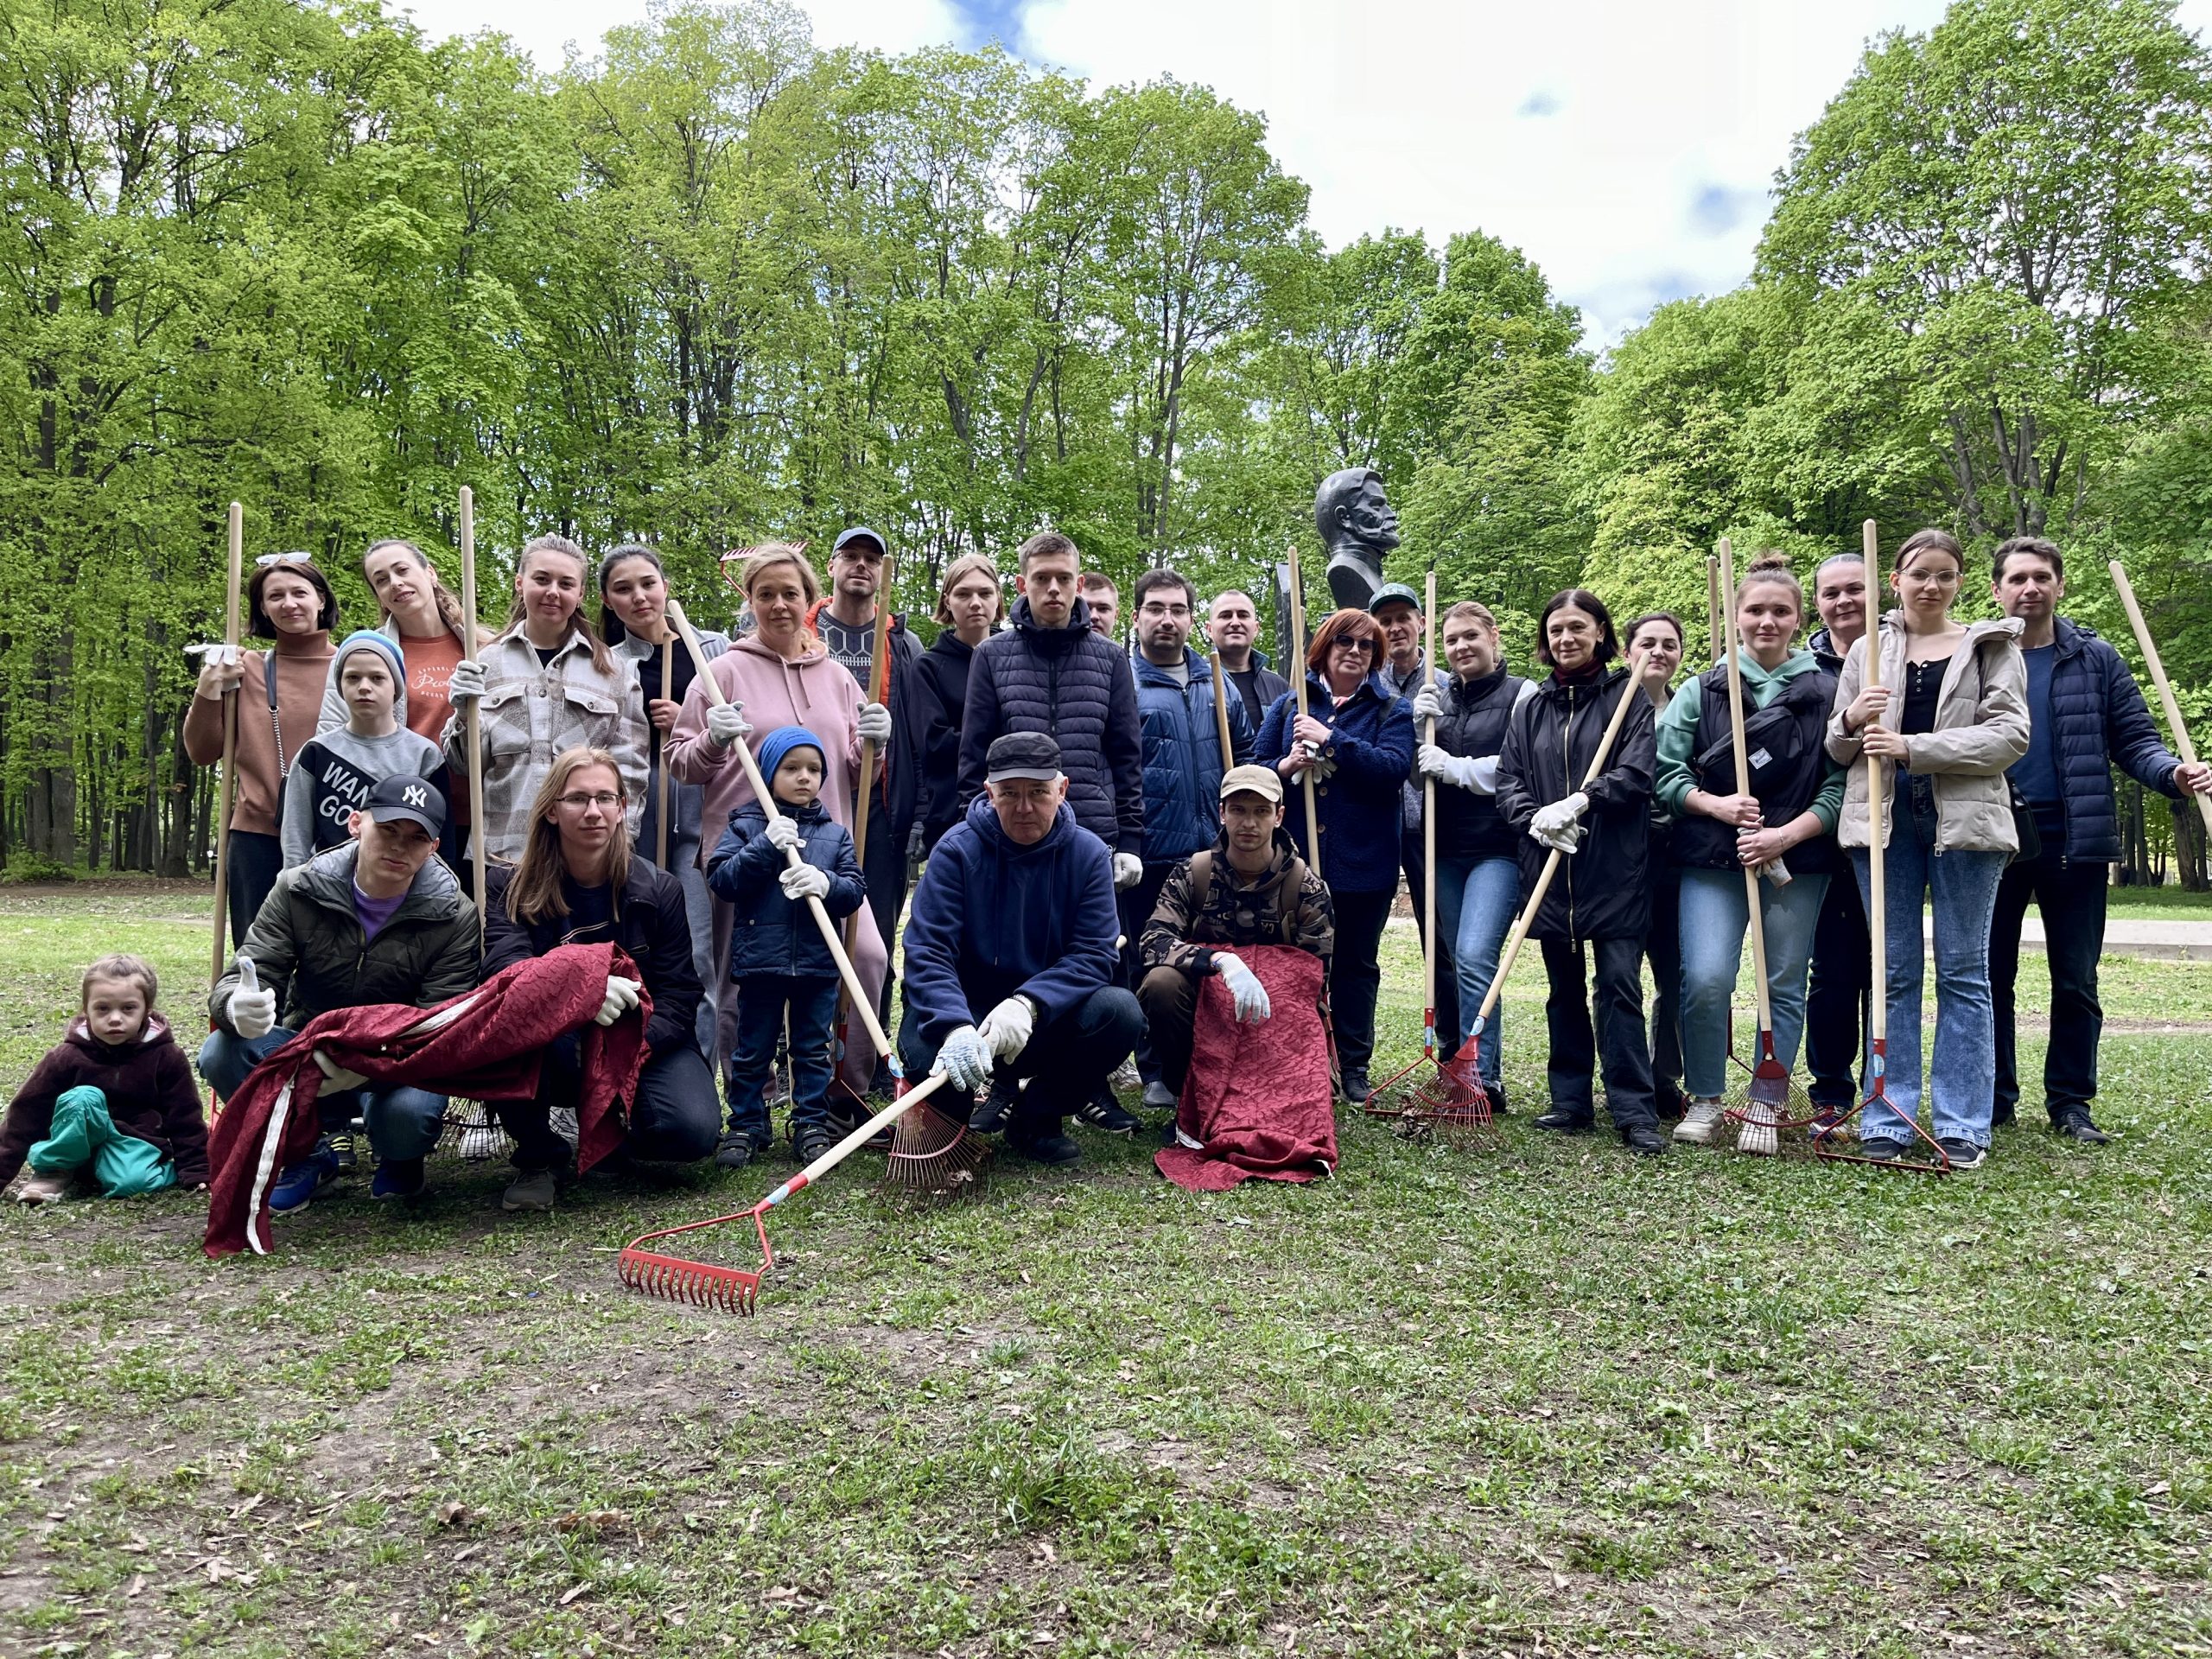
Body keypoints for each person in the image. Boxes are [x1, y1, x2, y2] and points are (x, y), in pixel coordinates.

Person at [1986, 537, 2212, 1142]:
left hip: (2073, 837)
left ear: (2060, 586)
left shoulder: (2094, 658)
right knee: (1988, 977)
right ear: (1996, 589)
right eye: (2017, 578)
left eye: (2041, 577)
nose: (2029, 587)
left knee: (2076, 979)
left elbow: (2136, 739)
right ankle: (1993, 1098)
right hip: (1992, 837)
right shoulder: (1978, 655)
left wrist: (2173, 774)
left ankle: (2070, 1104)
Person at [1827, 528, 2028, 1171]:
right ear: (1897, 581)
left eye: (1944, 574)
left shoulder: (1992, 646)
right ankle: (1889, 1114)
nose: (1931, 585)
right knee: (1893, 971)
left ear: (1960, 581)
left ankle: (1963, 1122)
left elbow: (2010, 736)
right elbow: (1837, 747)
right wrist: (1854, 719)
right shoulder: (1868, 650)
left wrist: (1916, 749)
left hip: (1965, 819)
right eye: (1919, 574)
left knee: (1965, 972)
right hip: (1881, 819)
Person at [666, 543, 893, 1099]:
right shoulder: (721, 674)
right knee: (742, 977)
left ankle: (848, 1089)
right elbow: (680, 763)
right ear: (749, 600)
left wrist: (875, 748)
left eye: (790, 593)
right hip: (745, 852)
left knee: (865, 957)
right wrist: (711, 740)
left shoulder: (838, 679)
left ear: (810, 599)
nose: (779, 604)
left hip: (824, 850)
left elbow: (852, 774)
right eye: (765, 594)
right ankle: (753, 1100)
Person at [202, 775, 480, 1209]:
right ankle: (307, 1155)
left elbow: (438, 1024)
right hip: (307, 1041)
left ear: (434, 848)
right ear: (356, 823)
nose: (398, 846)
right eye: (387, 829)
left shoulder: (456, 915)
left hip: (398, 1057)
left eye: (416, 838)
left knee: (407, 1116)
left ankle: (400, 1155)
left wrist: (367, 1063)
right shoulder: (297, 888)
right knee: (221, 1053)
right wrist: (237, 1003)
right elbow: (250, 970)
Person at [1655, 562, 1842, 1151]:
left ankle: (1767, 1099)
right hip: (1711, 858)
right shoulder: (1703, 689)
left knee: (1783, 984)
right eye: (1755, 610)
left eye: (1780, 611)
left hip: (1797, 862)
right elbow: (1665, 774)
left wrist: (1783, 836)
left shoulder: (1828, 693)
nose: (1767, 620)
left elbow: (1842, 788)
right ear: (1735, 617)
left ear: (1798, 619)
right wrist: (1716, 805)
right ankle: (1707, 1099)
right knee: (1706, 978)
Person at [481, 748, 720, 1209]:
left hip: (641, 1040)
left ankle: (617, 1138)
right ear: (551, 809)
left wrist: (624, 1047)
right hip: (551, 1039)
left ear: (621, 809)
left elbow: (680, 994)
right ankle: (540, 1154)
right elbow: (504, 975)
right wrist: (582, 991)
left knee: (692, 1132)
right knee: (513, 1036)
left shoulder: (658, 889)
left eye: (605, 798)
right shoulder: (508, 887)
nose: (593, 812)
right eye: (577, 799)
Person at [900, 734, 1139, 1166]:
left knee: (1120, 1014)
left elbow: (1094, 954)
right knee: (924, 1057)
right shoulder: (955, 852)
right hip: (968, 1012)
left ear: (1062, 790)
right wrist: (955, 1026)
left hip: (1047, 1016)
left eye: (1038, 792)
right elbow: (928, 951)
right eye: (1009, 793)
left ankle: (1035, 1117)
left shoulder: (1088, 855)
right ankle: (953, 1126)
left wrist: (1028, 1004)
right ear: (989, 793)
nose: (1024, 807)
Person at [1495, 590, 1666, 1155]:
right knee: (1562, 990)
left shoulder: (1628, 697)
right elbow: (1508, 781)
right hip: (1550, 868)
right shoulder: (1532, 706)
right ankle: (1570, 1101)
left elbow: (1638, 772)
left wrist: (1583, 802)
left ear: (1600, 632)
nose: (1566, 638)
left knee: (1618, 986)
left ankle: (1633, 1109)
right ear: (1545, 641)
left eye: (1578, 628)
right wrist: (1538, 819)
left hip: (1613, 868)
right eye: (1557, 630)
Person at [1253, 607, 1415, 1106]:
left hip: (1365, 864)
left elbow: (1392, 769)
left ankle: (1353, 1062)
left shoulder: (1391, 711)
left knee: (1355, 965)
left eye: (1367, 646)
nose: (1355, 651)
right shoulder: (1288, 705)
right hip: (1296, 865)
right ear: (1325, 645)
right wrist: (1285, 764)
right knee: (1298, 963)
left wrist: (1332, 740)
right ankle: (1299, 1058)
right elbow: (1255, 770)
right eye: (1345, 641)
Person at [1124, 568, 1256, 1117]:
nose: (1167, 619)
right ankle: (1155, 1068)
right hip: (1151, 851)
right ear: (1137, 618)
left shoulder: (1214, 680)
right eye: (1155, 608)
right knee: (1150, 962)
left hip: (1210, 853)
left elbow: (1246, 749)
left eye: (1177, 609)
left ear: (1190, 620)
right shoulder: (1122, 680)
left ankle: (1208, 1061)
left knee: (1213, 961)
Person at [704, 727, 868, 1166]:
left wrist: (826, 882)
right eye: (791, 768)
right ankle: (746, 1124)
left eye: (814, 770)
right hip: (761, 961)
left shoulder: (835, 836)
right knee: (752, 1046)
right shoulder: (746, 825)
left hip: (817, 963)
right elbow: (723, 880)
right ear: (767, 773)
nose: (804, 778)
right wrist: (765, 845)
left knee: (813, 1048)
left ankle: (810, 1121)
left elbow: (854, 890)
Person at [442, 533, 649, 862]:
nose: (553, 592)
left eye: (566, 584)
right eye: (542, 579)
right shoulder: (484, 664)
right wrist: (463, 715)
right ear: (520, 583)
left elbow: (631, 770)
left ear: (580, 594)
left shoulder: (614, 671)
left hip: (585, 861)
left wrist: (621, 842)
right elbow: (465, 766)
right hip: (503, 855)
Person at [958, 529, 1144, 886]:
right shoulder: (991, 656)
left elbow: (1127, 757)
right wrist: (975, 827)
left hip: (1093, 835)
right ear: (1021, 584)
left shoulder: (1111, 659)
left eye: (1063, 578)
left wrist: (1130, 841)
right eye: (1042, 578)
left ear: (1079, 583)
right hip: (1011, 833)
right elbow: (973, 754)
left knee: (1092, 940)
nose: (1054, 588)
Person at [1138, 766, 1332, 1100]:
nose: (1249, 823)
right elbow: (1153, 941)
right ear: (1222, 813)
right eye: (1238, 810)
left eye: (1261, 812)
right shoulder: (1191, 874)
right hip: (1202, 1005)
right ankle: (1189, 1093)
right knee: (1160, 985)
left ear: (1279, 816)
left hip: (1275, 1013)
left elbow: (1314, 978)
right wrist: (1218, 961)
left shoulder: (1306, 886)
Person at [599, 545, 728, 1051]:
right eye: (623, 589)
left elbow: (742, 723)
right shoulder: (608, 662)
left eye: (647, 583)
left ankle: (700, 1069)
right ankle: (634, 1062)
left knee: (700, 952)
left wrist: (688, 724)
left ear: (665, 585)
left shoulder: (711, 650)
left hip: (698, 817)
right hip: (636, 817)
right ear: (608, 601)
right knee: (635, 946)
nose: (639, 596)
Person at [1410, 601, 1534, 1107]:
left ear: (1493, 637)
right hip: (1446, 848)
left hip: (1497, 847)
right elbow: (1421, 771)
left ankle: (1482, 1076)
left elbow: (1516, 765)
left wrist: (1453, 765)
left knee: (1475, 954)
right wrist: (1419, 731)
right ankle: (1466, 1069)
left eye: (1469, 637)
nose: (1460, 647)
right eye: (1451, 640)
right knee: (1456, 959)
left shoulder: (1522, 694)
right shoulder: (1440, 697)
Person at [185, 556, 338, 944]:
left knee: (326, 953)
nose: (289, 603)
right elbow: (202, 752)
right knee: (259, 953)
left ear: (320, 599)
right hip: (259, 834)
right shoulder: (244, 668)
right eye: (275, 596)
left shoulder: (353, 666)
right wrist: (208, 690)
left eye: (299, 592)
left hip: (334, 834)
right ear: (263, 610)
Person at [811, 527, 925, 1046]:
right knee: (807, 928)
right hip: (811, 803)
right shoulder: (806, 633)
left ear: (882, 572)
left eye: (871, 559)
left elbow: (917, 732)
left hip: (879, 807)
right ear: (832, 567)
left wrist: (915, 812)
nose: (861, 566)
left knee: (874, 927)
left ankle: (871, 1043)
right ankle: (806, 1050)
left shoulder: (902, 642)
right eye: (850, 556)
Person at [3, 955, 207, 1204]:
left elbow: (184, 1115)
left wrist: (195, 1170)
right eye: (102, 1008)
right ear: (86, 1009)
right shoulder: (66, 1056)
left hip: (132, 1141)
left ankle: (111, 1172)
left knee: (133, 1184)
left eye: (128, 1008)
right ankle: (54, 1170)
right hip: (74, 1137)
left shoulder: (166, 1056)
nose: (115, 1018)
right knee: (83, 1098)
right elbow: (26, 1114)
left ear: (147, 1010)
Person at [1372, 581, 1459, 1067]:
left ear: (1421, 623)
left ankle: (1452, 1047)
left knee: (1442, 943)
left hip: (1434, 829)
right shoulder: (1367, 682)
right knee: (1360, 940)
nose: (1395, 627)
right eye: (1385, 621)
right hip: (1380, 826)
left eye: (1403, 617)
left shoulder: (1447, 683)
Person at [1804, 552, 1872, 1130]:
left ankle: (1885, 1085)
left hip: (1887, 831)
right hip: (1822, 836)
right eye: (1833, 592)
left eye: (1856, 589)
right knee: (1830, 969)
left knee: (1887, 970)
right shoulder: (1805, 670)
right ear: (1818, 601)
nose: (1845, 601)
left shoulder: (1900, 657)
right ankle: (1830, 1090)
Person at [280, 632, 445, 868]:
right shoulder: (315, 752)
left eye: (377, 678)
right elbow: (296, 835)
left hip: (398, 886)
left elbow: (438, 840)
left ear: (396, 686)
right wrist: (294, 888)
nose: (364, 687)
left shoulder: (425, 755)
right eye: (353, 678)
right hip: (325, 886)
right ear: (340, 685)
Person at [1623, 611, 1689, 1120]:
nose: (1658, 652)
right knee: (1619, 970)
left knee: (1675, 970)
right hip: (1620, 853)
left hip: (1675, 851)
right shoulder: (1610, 709)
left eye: (1669, 644)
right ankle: (1623, 1077)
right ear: (1628, 653)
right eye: (1647, 643)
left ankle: (1662, 1074)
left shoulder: (1689, 710)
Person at [913, 554, 1003, 853]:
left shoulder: (1017, 659)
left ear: (998, 599)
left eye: (985, 593)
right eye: (963, 594)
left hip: (1019, 808)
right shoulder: (928, 667)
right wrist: (1004, 737)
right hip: (952, 815)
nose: (975, 602)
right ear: (947, 601)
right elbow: (935, 744)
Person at [1209, 589, 1291, 727]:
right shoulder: (1197, 685)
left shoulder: (1279, 686)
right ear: (1209, 629)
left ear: (1256, 628)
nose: (1235, 622)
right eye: (1226, 615)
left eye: (1243, 615)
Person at [1082, 572, 1120, 639]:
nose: (1094, 616)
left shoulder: (1120, 650)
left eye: (1103, 609)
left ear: (1115, 616)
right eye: (1085, 608)